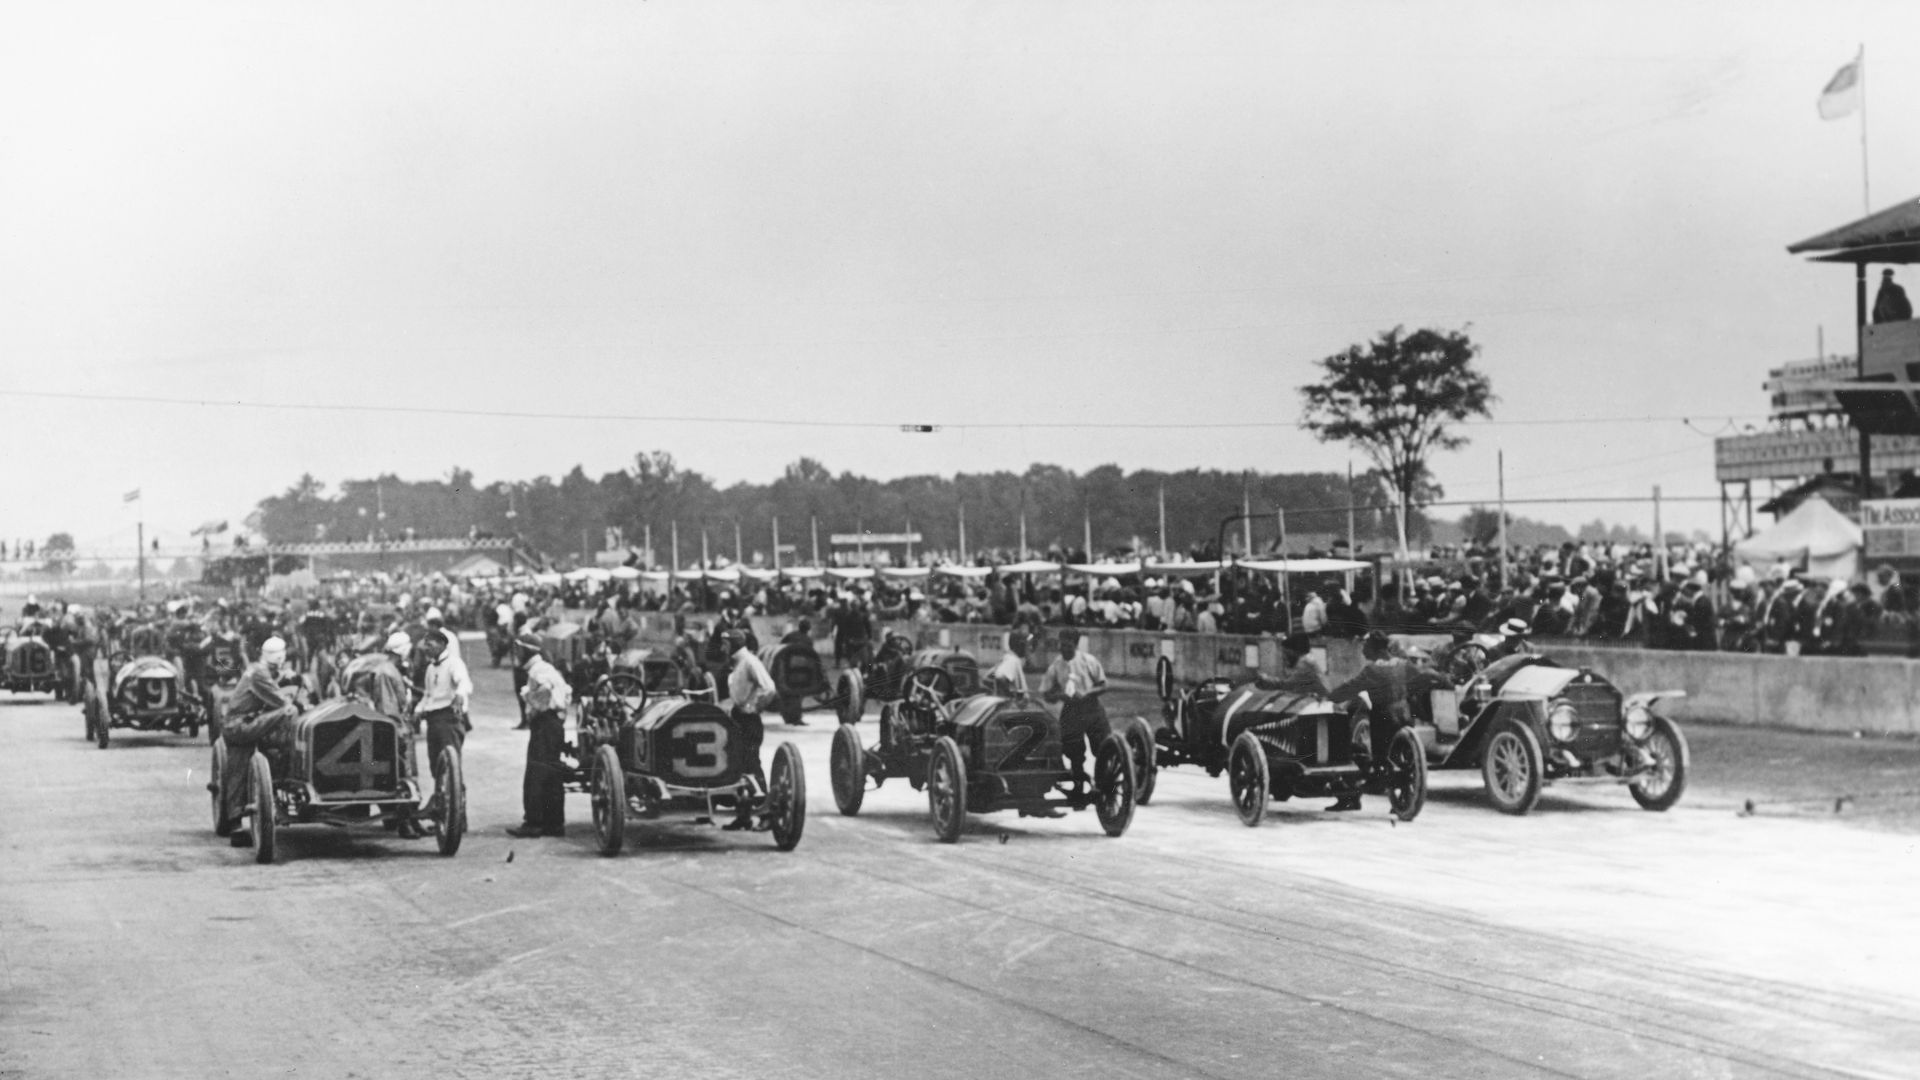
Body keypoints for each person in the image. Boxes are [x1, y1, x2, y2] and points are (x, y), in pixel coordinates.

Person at [217, 636, 303, 846]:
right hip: (239, 726)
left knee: (238, 769)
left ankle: (235, 820)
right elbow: (280, 702)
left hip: (241, 723)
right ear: (281, 657)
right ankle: (288, 752)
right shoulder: (260, 675)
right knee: (288, 712)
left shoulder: (257, 669)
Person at [507, 633, 572, 839]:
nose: (516, 654)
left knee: (536, 774)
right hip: (553, 725)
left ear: (527, 651)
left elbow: (545, 692)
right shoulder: (545, 668)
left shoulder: (539, 670)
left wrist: (530, 700)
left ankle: (533, 823)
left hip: (545, 724)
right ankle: (553, 824)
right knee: (551, 774)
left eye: (518, 650)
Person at [1039, 628, 1108, 797]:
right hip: (1071, 711)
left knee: (1102, 748)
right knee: (1074, 751)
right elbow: (1045, 693)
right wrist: (1060, 696)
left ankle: (1104, 786)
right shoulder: (1056, 666)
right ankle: (1078, 788)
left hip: (1092, 709)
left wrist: (1087, 693)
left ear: (1076, 645)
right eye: (1061, 645)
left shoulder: (1088, 660)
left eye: (1068, 646)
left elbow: (1103, 685)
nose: (1063, 649)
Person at [722, 629, 777, 830]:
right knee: (738, 767)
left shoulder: (750, 661)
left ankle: (767, 814)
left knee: (752, 765)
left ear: (734, 645)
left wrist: (754, 706)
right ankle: (743, 816)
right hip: (739, 717)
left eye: (725, 645)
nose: (722, 648)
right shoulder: (738, 662)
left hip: (749, 721)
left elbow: (769, 688)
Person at [414, 628, 472, 813]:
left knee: (452, 767)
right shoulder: (431, 668)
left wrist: (460, 696)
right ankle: (442, 810)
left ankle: (458, 815)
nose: (426, 649)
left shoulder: (455, 663)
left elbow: (464, 683)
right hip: (433, 720)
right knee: (436, 766)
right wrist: (418, 710)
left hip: (449, 718)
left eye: (430, 645)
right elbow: (428, 695)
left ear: (442, 644)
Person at [987, 629, 1030, 696]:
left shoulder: (1006, 658)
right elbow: (1001, 678)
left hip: (995, 679)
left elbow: (986, 678)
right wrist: (1024, 695)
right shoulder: (1014, 661)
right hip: (1002, 681)